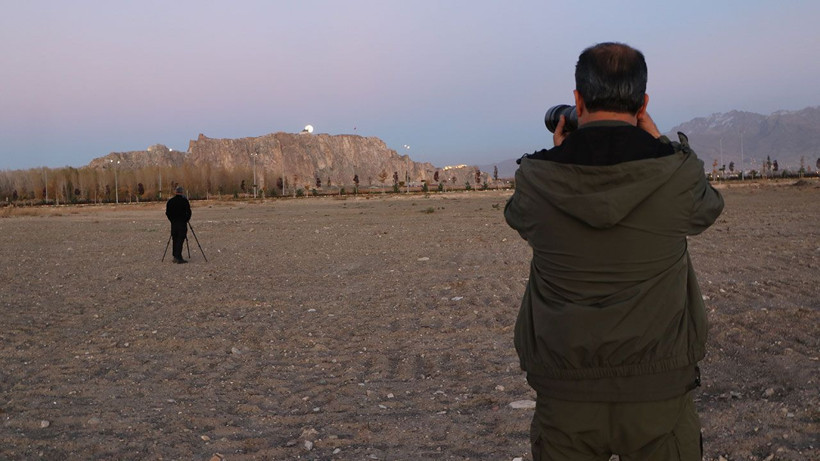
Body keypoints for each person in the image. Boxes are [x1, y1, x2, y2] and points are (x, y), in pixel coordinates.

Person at [505, 42, 724, 461]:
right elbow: (708, 207)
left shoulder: (537, 179)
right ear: (642, 102)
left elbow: (519, 216)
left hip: (564, 390)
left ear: (577, 101)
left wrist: (559, 151)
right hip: (658, 391)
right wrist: (659, 140)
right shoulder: (677, 174)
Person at [165, 185, 192, 264]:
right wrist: (186, 219)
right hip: (182, 223)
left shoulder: (170, 201)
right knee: (180, 239)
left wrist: (171, 220)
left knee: (175, 239)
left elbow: (167, 213)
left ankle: (174, 256)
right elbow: (189, 212)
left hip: (174, 223)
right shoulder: (184, 201)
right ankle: (178, 257)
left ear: (175, 192)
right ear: (182, 192)